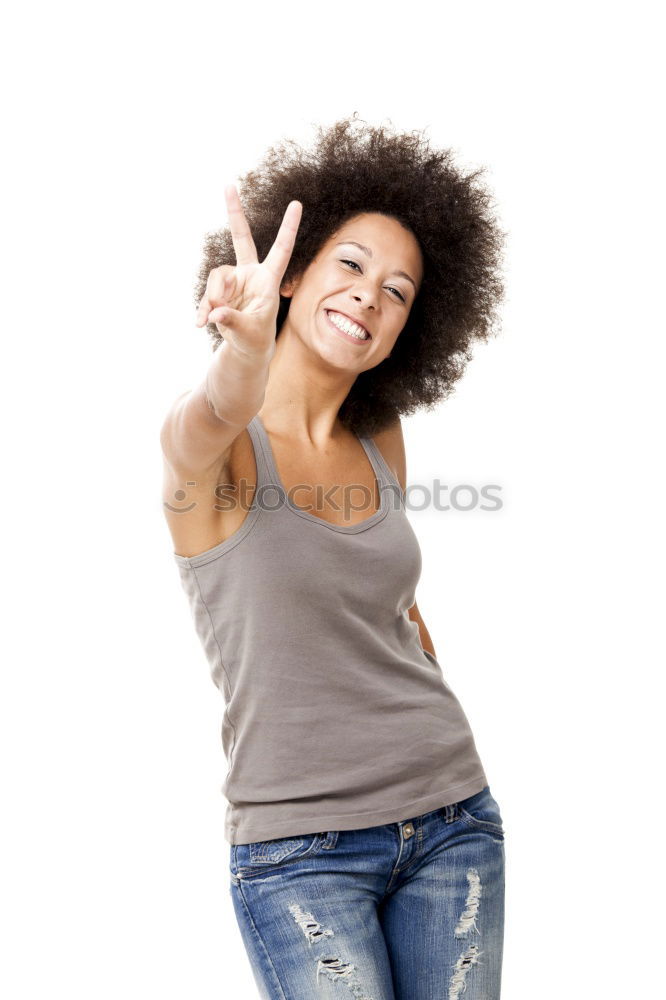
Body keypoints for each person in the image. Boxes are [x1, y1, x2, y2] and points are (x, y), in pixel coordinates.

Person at [160, 114, 507, 999]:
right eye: (350, 266)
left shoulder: (379, 436)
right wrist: (245, 347)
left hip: (451, 819)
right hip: (299, 851)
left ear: (407, 331)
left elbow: (395, 611)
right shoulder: (216, 451)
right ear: (297, 271)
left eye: (398, 291)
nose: (368, 296)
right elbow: (208, 416)